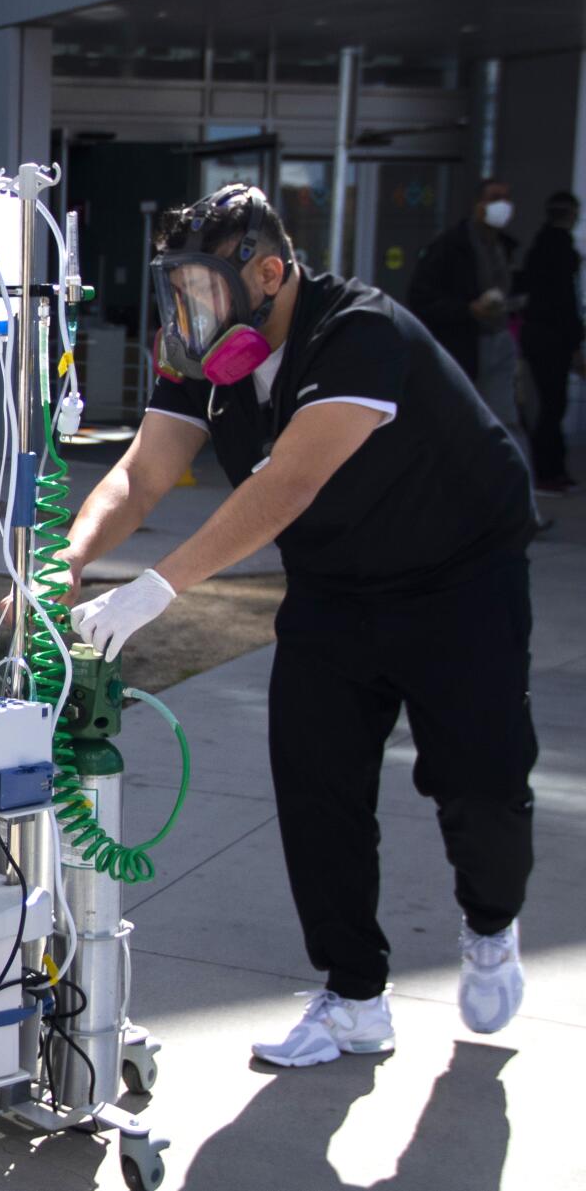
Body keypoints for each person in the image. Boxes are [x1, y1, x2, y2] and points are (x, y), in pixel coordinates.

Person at [64, 184, 536, 1068]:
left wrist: (155, 589)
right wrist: (74, 557)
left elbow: (287, 484)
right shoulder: (201, 355)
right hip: (336, 586)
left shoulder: (359, 333)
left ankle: (490, 920)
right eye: (178, 290)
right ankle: (355, 997)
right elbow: (143, 472)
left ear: (270, 273)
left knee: (481, 782)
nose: (187, 313)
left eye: (202, 289)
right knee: (316, 788)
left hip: (459, 576)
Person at [409, 177, 546, 524]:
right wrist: (468, 310)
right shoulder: (450, 247)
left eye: (506, 197)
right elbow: (422, 299)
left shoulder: (506, 246)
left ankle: (521, 507)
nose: (502, 204)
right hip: (462, 347)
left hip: (498, 342)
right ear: (477, 204)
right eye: (494, 198)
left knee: (507, 425)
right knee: (454, 428)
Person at [514, 190, 586, 493]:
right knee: (552, 404)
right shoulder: (560, 252)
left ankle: (551, 468)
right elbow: (564, 305)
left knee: (548, 404)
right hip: (551, 338)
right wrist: (575, 345)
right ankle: (548, 469)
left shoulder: (540, 248)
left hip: (538, 335)